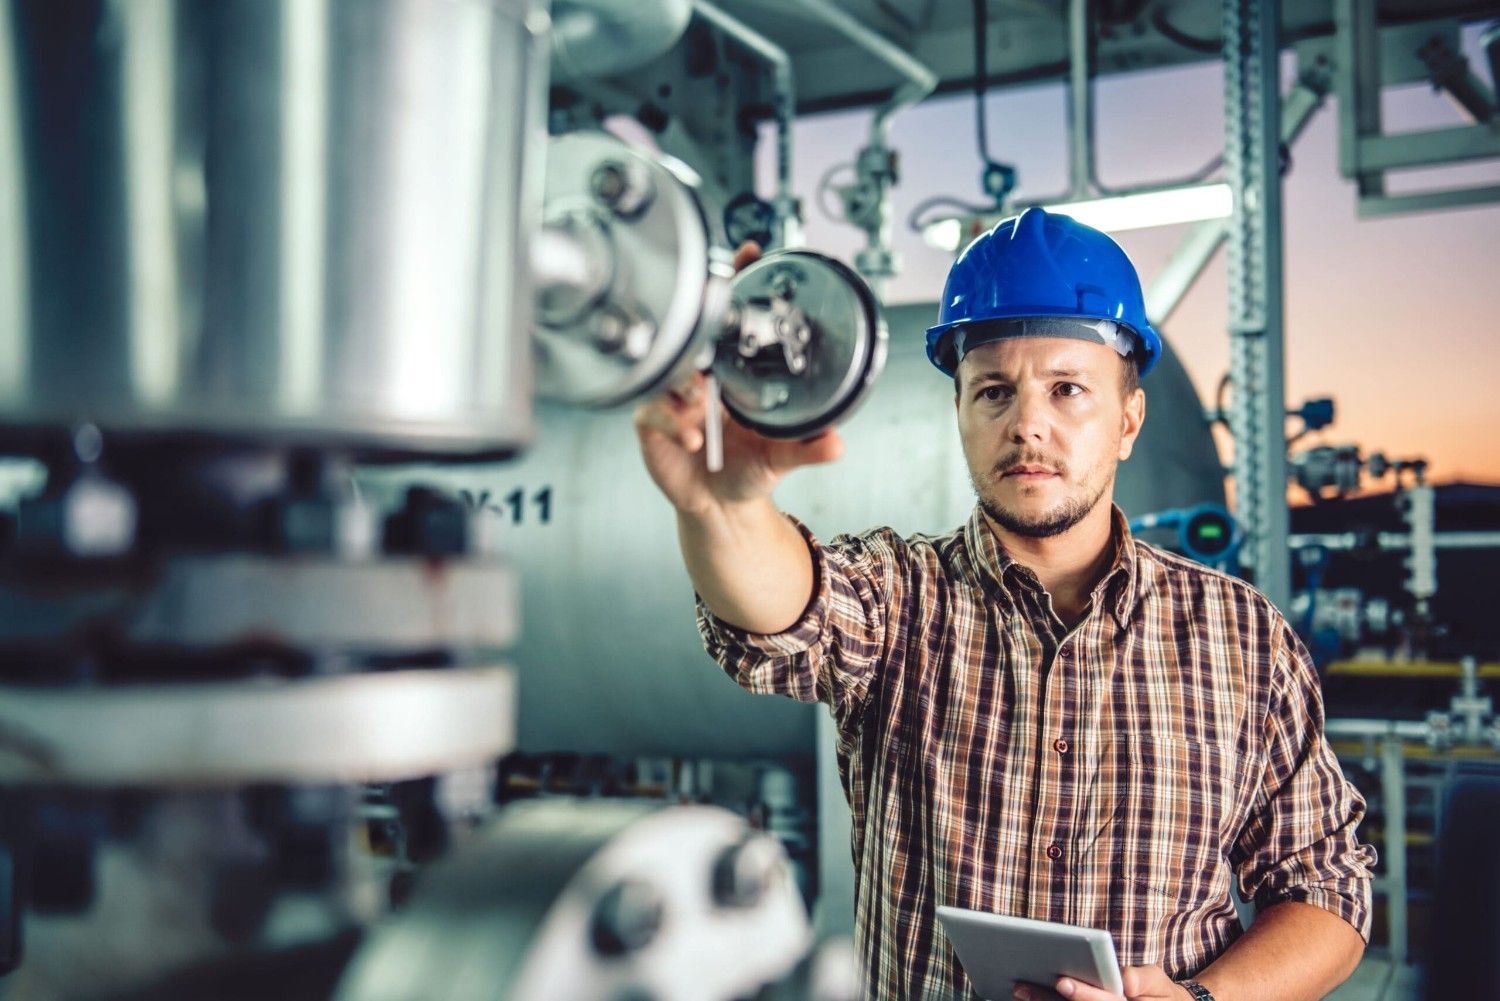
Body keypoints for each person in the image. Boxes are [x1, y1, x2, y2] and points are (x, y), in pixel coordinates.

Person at [635, 208, 1375, 1001]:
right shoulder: (900, 599)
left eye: (1068, 390)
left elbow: (1326, 886)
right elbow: (785, 613)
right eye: (993, 391)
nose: (1027, 424)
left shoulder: (1242, 637)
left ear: (1128, 418)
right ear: (961, 413)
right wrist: (724, 506)